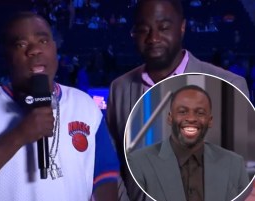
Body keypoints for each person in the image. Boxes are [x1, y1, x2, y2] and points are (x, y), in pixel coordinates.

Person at [0, 12, 119, 201]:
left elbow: (105, 179)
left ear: (55, 49)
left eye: (43, 41)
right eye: (21, 45)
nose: (34, 50)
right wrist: (21, 134)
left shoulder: (85, 105)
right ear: (7, 56)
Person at [106, 0, 249, 179]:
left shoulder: (230, 85)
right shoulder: (120, 89)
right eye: (144, 30)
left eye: (164, 28)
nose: (153, 38)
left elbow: (242, 173)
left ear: (182, 27)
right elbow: (111, 166)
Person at [127, 85, 250, 201]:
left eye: (200, 113)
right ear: (170, 118)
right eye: (182, 112)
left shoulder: (234, 164)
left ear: (210, 121)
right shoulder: (138, 164)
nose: (191, 118)